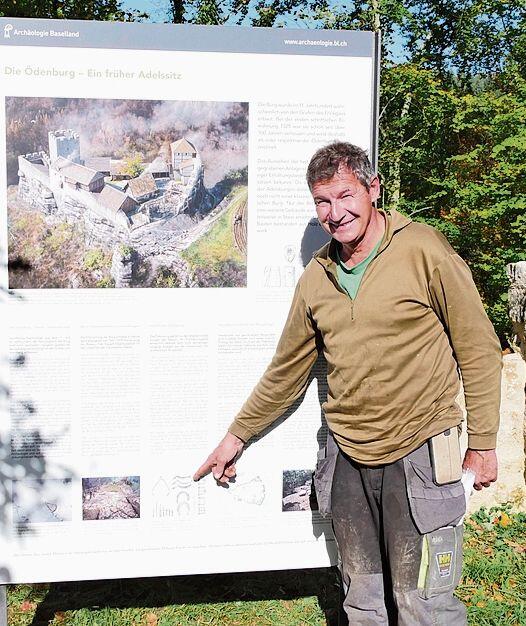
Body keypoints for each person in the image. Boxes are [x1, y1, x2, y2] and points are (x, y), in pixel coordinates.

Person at [193, 142, 502, 625]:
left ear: (372, 189)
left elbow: (478, 348)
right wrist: (236, 437)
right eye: (322, 202)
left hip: (420, 448)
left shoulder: (423, 250)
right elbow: (285, 371)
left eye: (345, 196)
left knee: (423, 601)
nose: (335, 214)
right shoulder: (317, 278)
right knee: (362, 600)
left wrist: (482, 442)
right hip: (348, 458)